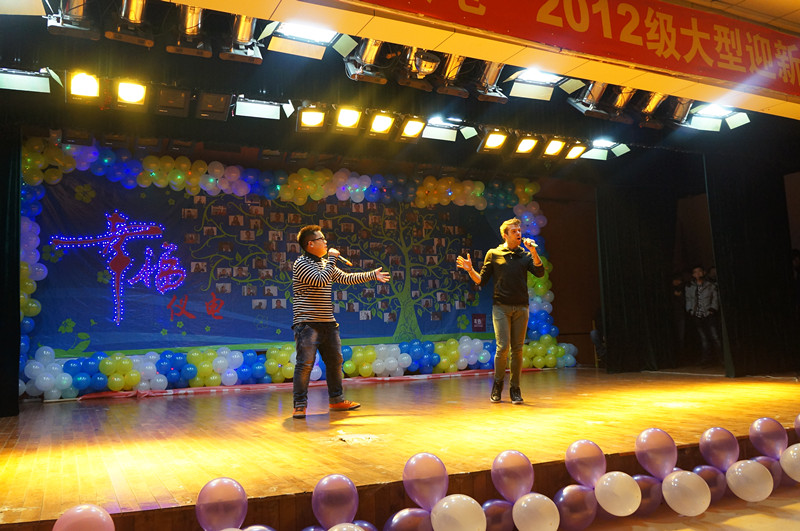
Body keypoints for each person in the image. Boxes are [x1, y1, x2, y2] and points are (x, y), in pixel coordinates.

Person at [291, 224, 390, 419]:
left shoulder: (324, 264)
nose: (325, 242)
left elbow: (346, 278)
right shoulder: (301, 263)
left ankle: (336, 400)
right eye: (321, 239)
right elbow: (320, 280)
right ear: (310, 244)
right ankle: (300, 405)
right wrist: (332, 258)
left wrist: (372, 275)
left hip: (327, 322)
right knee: (305, 364)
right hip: (307, 323)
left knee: (335, 362)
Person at [456, 218, 544, 404]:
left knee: (517, 349)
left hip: (521, 307)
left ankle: (515, 389)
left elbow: (540, 272)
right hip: (501, 307)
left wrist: (534, 251)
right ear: (505, 235)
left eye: (519, 230)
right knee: (503, 347)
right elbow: (481, 280)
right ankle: (497, 385)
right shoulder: (494, 254)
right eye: (514, 231)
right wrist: (470, 270)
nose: (518, 233)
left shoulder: (525, 255)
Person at [685, 265, 723, 367]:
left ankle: (721, 359)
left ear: (704, 272)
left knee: (715, 336)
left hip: (708, 313)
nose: (698, 274)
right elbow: (688, 299)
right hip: (697, 315)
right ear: (693, 275)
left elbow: (715, 298)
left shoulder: (710, 285)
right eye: (695, 272)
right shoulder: (690, 286)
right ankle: (706, 360)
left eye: (699, 271)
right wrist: (690, 310)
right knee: (703, 338)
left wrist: (713, 309)